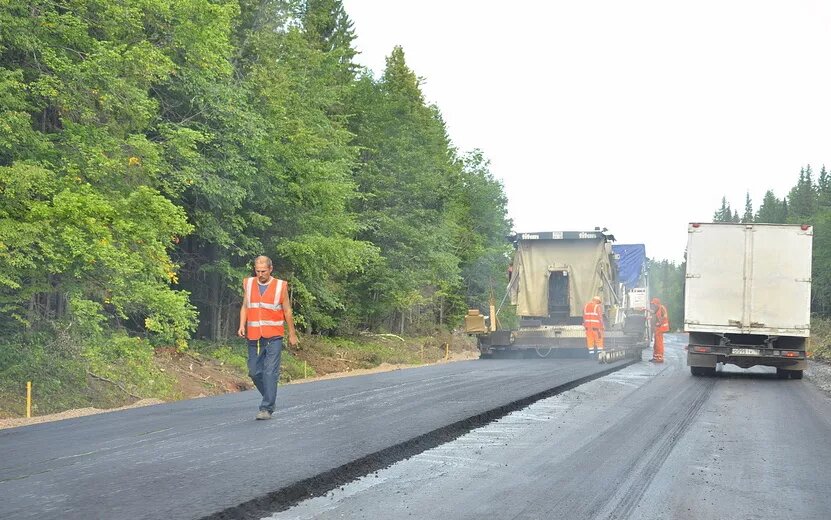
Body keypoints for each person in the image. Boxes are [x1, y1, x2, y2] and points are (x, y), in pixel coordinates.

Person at [238, 256, 298, 420]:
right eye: (257, 271)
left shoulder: (280, 286)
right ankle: (270, 396)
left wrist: (292, 333)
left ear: (271, 269)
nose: (260, 274)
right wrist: (242, 325)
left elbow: (287, 311)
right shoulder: (249, 283)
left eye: (263, 271)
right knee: (254, 372)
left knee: (270, 372)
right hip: (254, 335)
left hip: (274, 336)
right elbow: (245, 306)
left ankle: (266, 408)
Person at [650, 297, 669, 363]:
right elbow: (653, 312)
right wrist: (645, 309)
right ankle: (655, 357)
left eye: (654, 303)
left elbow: (665, 316)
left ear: (657, 303)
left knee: (659, 343)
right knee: (656, 343)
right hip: (658, 328)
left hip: (661, 327)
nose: (653, 305)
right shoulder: (657, 308)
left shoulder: (662, 308)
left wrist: (659, 323)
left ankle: (660, 358)